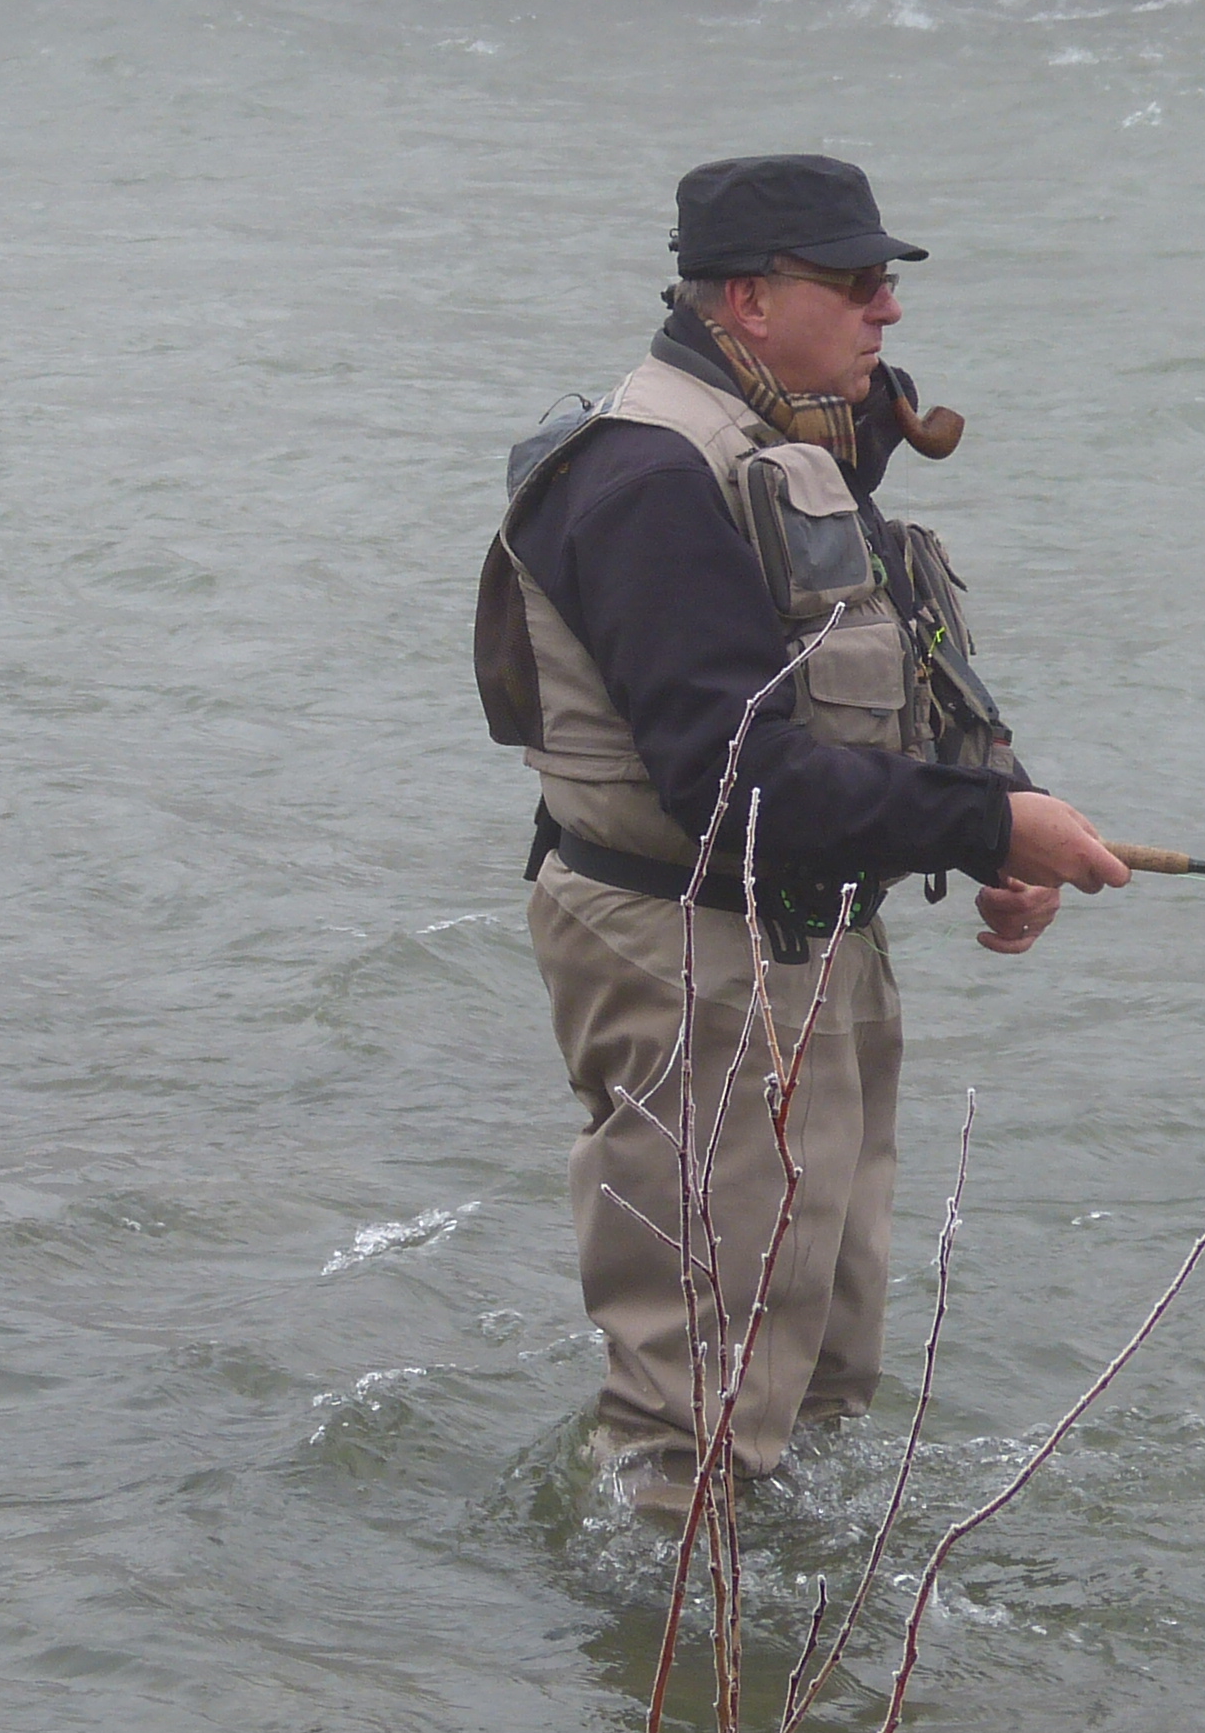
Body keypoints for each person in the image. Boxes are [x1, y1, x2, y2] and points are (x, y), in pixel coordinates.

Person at [477, 153, 1127, 1526]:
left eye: (888, 282)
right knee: (694, 1405)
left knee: (823, 1355)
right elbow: (732, 771)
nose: (888, 310)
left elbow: (893, 669)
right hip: (681, 949)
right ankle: (668, 1669)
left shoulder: (802, 436)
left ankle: (788, 1659)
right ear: (749, 300)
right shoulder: (646, 478)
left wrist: (1000, 822)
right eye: (857, 282)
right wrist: (984, 819)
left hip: (804, 938)